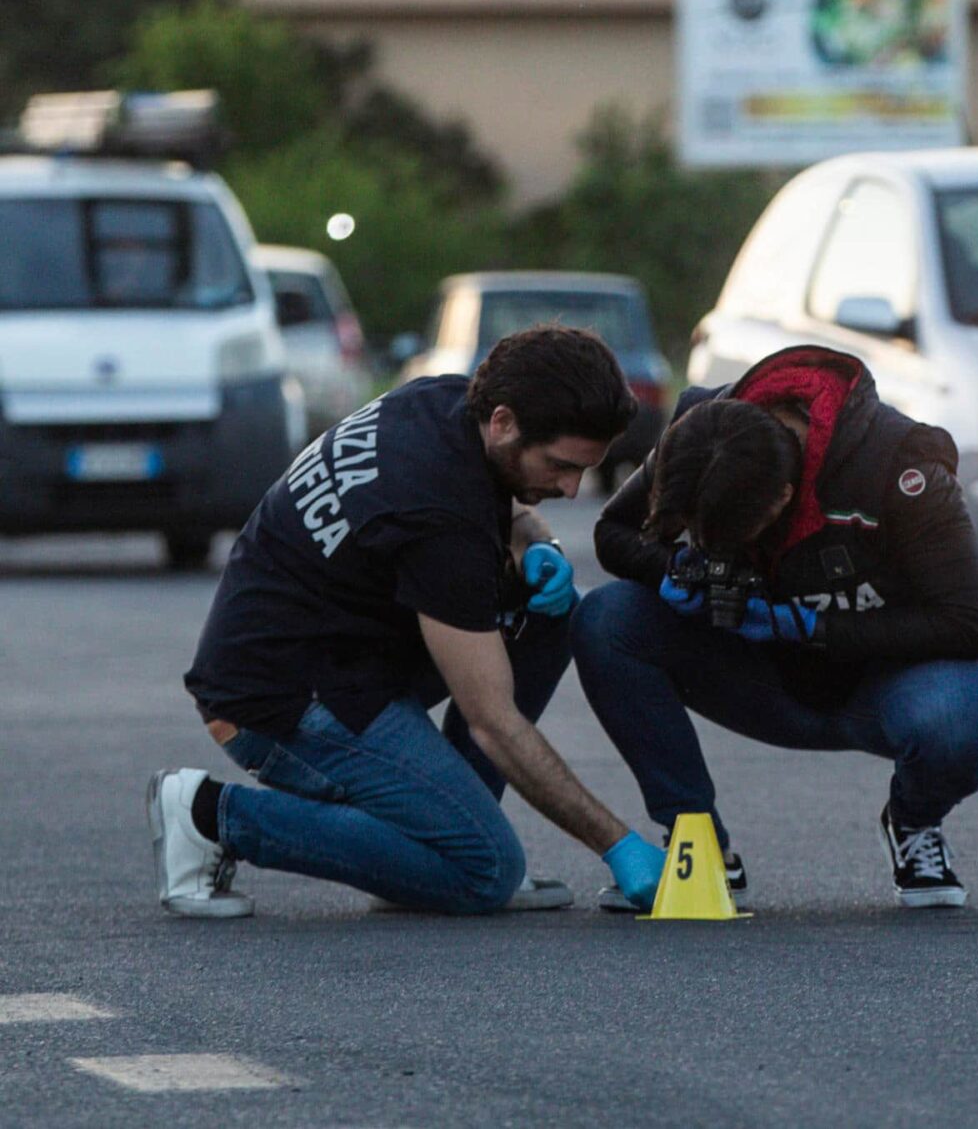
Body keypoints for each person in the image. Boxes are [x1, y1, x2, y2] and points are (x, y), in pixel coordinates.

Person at [159, 326, 666, 918]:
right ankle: (210, 816)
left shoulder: (446, 400)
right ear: (504, 422)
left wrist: (537, 541)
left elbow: (506, 507)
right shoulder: (436, 517)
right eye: (558, 466)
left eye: (584, 470)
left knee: (546, 616)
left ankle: (424, 852)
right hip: (274, 702)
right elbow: (493, 723)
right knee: (485, 871)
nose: (571, 487)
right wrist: (618, 843)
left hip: (341, 651)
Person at [575, 343, 978, 910]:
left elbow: (969, 625)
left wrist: (810, 624)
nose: (729, 551)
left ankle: (915, 820)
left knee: (962, 712)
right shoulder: (701, 434)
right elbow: (614, 533)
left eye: (738, 539)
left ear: (783, 496)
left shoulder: (902, 465)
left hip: (882, 687)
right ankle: (698, 846)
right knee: (607, 619)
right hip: (759, 676)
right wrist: (678, 567)